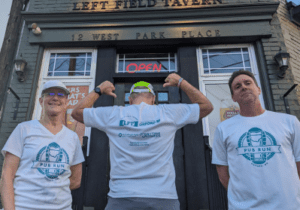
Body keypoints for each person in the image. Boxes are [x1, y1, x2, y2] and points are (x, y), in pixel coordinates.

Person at [71, 73, 213, 210]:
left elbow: (77, 112)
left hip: (122, 196)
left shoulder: (113, 114)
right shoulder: (168, 113)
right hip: (163, 197)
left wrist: (99, 89)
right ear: (153, 99)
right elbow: (206, 106)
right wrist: (181, 81)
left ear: (130, 100)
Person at [212, 69, 300, 209]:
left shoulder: (290, 122)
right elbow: (222, 172)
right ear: (233, 97)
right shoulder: (223, 128)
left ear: (258, 89)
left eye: (248, 83)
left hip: (287, 205)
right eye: (238, 87)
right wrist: (240, 198)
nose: (244, 87)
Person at [0, 80, 85, 210]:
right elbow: (7, 175)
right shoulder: (24, 129)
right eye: (50, 93)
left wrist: (51, 186)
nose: (55, 97)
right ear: (41, 101)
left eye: (61, 95)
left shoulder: (72, 137)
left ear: (66, 103)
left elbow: (76, 180)